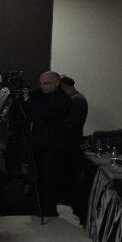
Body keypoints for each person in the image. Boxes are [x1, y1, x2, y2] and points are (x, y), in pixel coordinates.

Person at [25, 71, 73, 218]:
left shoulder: (64, 99)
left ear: (57, 83)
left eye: (46, 83)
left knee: (50, 177)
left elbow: (46, 113)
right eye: (41, 83)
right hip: (38, 142)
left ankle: (49, 208)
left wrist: (29, 100)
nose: (42, 86)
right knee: (38, 176)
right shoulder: (40, 96)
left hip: (53, 145)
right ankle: (38, 204)